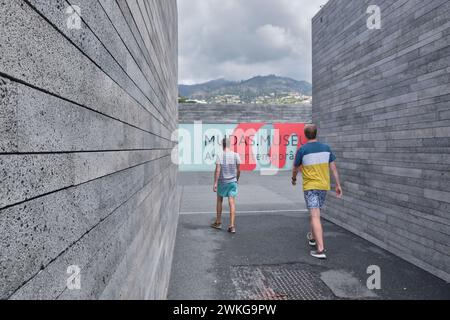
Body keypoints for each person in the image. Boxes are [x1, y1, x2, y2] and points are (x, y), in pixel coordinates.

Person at [292, 124, 343, 259]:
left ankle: (320, 249)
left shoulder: (302, 149)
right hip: (323, 187)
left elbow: (295, 167)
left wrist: (293, 179)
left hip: (311, 187)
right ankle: (313, 237)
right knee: (315, 212)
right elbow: (333, 168)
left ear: (305, 135)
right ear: (316, 134)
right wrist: (338, 185)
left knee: (315, 215)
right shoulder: (326, 149)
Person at [212, 137, 241, 234]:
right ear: (229, 145)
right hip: (232, 182)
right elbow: (239, 170)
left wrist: (215, 183)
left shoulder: (220, 155)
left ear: (222, 145)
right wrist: (236, 180)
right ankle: (232, 226)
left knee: (219, 200)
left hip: (222, 182)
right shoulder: (236, 155)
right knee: (231, 202)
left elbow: (217, 170)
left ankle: (218, 222)